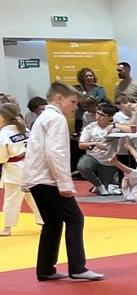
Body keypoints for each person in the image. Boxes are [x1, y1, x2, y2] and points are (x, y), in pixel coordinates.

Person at [22, 81, 102, 281]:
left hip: (36, 178)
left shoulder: (43, 117)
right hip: (49, 179)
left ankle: (46, 269)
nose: (75, 107)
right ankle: (78, 267)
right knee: (75, 218)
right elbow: (55, 153)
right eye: (72, 102)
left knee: (52, 222)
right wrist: (65, 184)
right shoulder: (56, 118)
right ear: (59, 98)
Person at [1, 101, 36, 236]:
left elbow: (2, 157)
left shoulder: (4, 134)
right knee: (34, 196)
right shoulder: (25, 129)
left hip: (15, 169)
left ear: (3, 117)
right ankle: (44, 221)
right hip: (30, 166)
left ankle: (7, 228)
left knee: (11, 199)